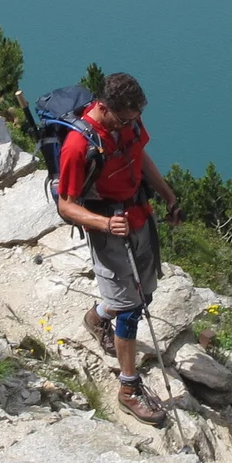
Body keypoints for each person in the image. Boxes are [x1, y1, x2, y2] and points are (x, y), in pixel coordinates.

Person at [55, 72, 182, 426]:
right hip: (111, 228)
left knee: (141, 293)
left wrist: (168, 194)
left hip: (140, 217)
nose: (134, 123)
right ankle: (128, 389)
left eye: (137, 116)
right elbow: (67, 205)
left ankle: (97, 316)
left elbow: (140, 158)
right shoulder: (78, 147)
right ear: (106, 108)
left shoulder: (128, 124)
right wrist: (104, 224)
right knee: (131, 308)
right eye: (127, 118)